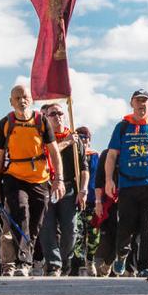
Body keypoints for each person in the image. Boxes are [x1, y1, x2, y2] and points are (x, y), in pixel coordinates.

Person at [0, 85, 64, 277]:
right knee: (21, 214)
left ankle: (24, 257)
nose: (22, 100)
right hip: (14, 177)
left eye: (25, 97)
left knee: (35, 223)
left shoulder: (41, 121)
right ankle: (23, 262)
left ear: (31, 100)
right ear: (11, 101)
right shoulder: (5, 124)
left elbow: (54, 152)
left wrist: (59, 179)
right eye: (18, 97)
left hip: (40, 179)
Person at [104, 89, 148, 278]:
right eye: (138, 100)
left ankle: (145, 266)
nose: (141, 104)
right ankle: (122, 256)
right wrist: (109, 180)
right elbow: (111, 155)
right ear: (131, 103)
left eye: (145, 101)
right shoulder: (122, 127)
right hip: (127, 185)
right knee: (125, 226)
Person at [39, 103, 88, 276]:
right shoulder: (42, 137)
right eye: (53, 114)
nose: (57, 116)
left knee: (70, 229)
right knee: (47, 228)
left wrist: (83, 190)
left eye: (60, 113)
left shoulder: (74, 139)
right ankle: (53, 265)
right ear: (46, 117)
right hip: (46, 186)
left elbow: (84, 168)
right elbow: (46, 153)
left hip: (68, 189)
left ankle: (64, 261)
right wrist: (66, 142)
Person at [72, 126, 100, 276]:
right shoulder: (73, 155)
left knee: (94, 234)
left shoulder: (95, 156)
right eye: (81, 138)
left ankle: (91, 259)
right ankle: (81, 262)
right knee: (78, 233)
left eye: (86, 138)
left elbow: (99, 178)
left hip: (92, 200)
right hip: (76, 201)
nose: (84, 140)